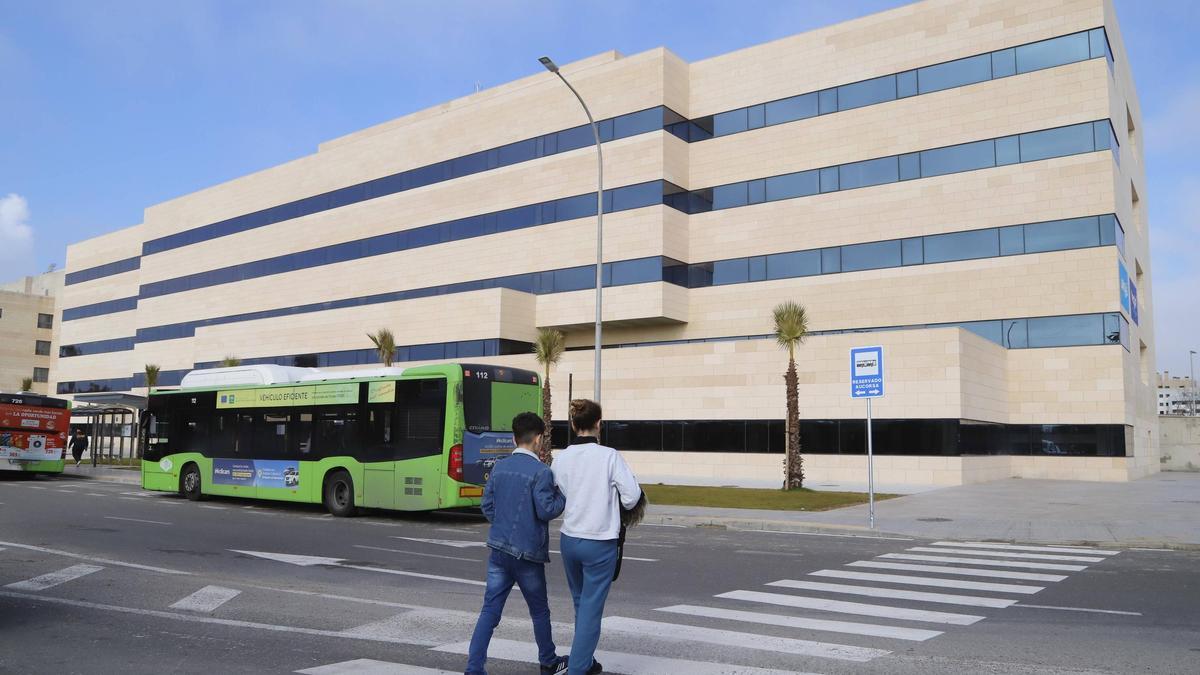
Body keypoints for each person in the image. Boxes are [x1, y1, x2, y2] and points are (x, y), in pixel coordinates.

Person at [466, 412, 568, 675]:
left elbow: (486, 505)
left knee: (490, 610)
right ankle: (548, 661)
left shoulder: (499, 467)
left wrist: (501, 522)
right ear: (539, 440)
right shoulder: (542, 472)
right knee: (539, 611)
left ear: (514, 438)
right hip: (528, 555)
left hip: (498, 550)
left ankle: (474, 668)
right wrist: (562, 497)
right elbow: (546, 510)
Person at [552, 399, 642, 675]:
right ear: (599, 424)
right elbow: (631, 498)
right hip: (599, 541)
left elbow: (560, 493)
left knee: (581, 603)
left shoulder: (562, 458)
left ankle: (586, 661)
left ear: (572, 424)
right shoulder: (609, 456)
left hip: (569, 539)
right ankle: (578, 669)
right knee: (591, 609)